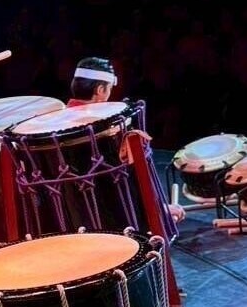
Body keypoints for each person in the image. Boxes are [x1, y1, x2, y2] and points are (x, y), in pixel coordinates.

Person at [67, 56, 186, 222]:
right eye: (109, 88)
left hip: (70, 214)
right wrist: (158, 210)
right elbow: (125, 182)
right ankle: (157, 211)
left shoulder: (56, 125)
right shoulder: (105, 128)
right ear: (101, 90)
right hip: (114, 216)